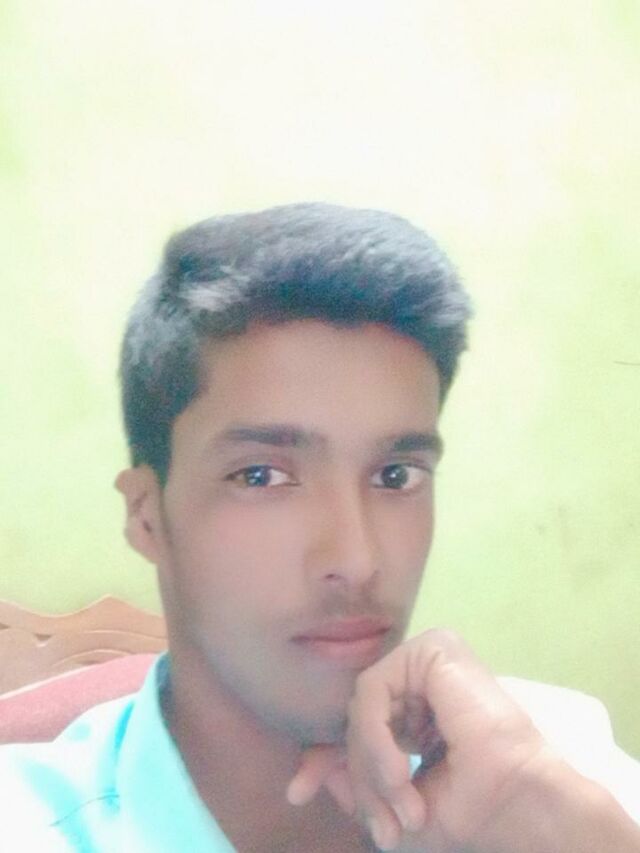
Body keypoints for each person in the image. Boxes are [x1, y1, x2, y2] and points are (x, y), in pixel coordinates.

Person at [1, 203, 639, 852]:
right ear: (147, 516)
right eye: (261, 476)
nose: (358, 560)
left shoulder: (550, 766)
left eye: (396, 475)